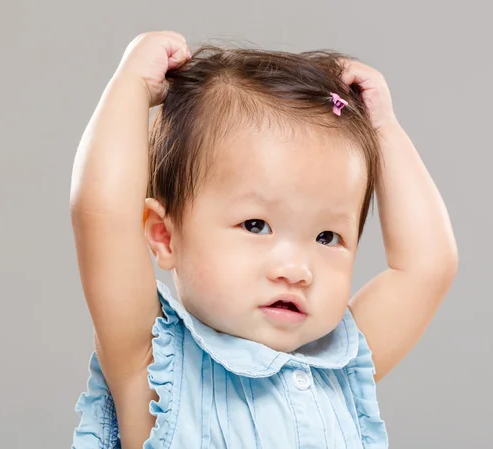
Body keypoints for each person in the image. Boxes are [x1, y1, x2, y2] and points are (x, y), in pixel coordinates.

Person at [70, 30, 458, 449]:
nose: (296, 270)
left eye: (327, 237)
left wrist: (385, 130)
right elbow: (101, 214)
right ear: (165, 235)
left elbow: (427, 266)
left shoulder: (340, 369)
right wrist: (129, 88)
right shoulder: (151, 364)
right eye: (256, 226)